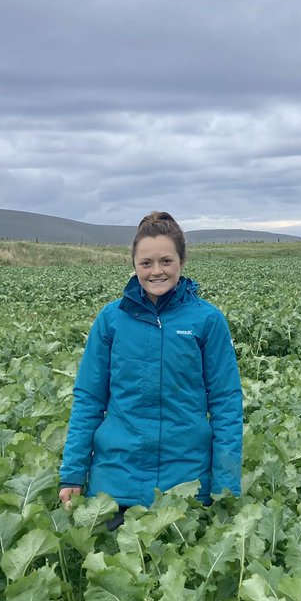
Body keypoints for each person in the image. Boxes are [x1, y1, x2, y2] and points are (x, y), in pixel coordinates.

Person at [59, 211, 243, 526]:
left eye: (166, 261)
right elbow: (89, 400)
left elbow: (226, 403)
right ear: (134, 265)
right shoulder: (111, 320)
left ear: (182, 261)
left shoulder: (207, 320)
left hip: (185, 489)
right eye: (146, 263)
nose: (156, 271)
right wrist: (73, 472)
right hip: (115, 488)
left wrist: (224, 487)